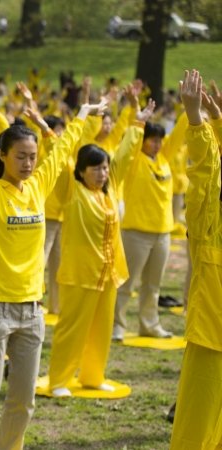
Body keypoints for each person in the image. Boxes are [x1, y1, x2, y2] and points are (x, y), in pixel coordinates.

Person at [0, 91, 102, 449]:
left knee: (23, 401)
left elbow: (62, 151)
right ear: (2, 156)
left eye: (33, 157)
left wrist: (82, 114)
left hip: (31, 311)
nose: (29, 163)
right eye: (21, 156)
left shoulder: (37, 188)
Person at [47, 94, 155, 398]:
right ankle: (58, 380)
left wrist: (139, 121)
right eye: (95, 168)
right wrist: (84, 115)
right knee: (72, 330)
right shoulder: (73, 189)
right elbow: (62, 153)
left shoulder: (111, 190)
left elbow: (124, 153)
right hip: (80, 274)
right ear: (81, 170)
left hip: (108, 274)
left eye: (104, 168)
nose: (102, 173)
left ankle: (93, 376)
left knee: (101, 330)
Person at [169, 68, 222, 450]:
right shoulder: (207, 223)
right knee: (193, 434)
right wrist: (196, 121)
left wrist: (216, 121)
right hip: (212, 337)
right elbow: (203, 173)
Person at [112, 94, 177, 340]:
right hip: (136, 232)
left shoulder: (164, 160)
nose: (157, 144)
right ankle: (117, 325)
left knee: (153, 285)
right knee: (126, 284)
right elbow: (126, 147)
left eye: (159, 140)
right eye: (152, 140)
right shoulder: (135, 161)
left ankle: (149, 323)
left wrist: (195, 111)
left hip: (162, 232)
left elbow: (181, 135)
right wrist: (136, 120)